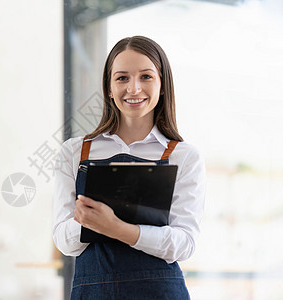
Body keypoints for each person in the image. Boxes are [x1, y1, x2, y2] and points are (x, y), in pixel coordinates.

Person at [53, 36, 205, 299]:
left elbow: (184, 244)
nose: (134, 89)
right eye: (122, 78)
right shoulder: (74, 152)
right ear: (109, 88)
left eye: (146, 77)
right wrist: (88, 222)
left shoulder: (184, 156)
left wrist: (116, 228)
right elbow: (64, 242)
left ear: (162, 85)